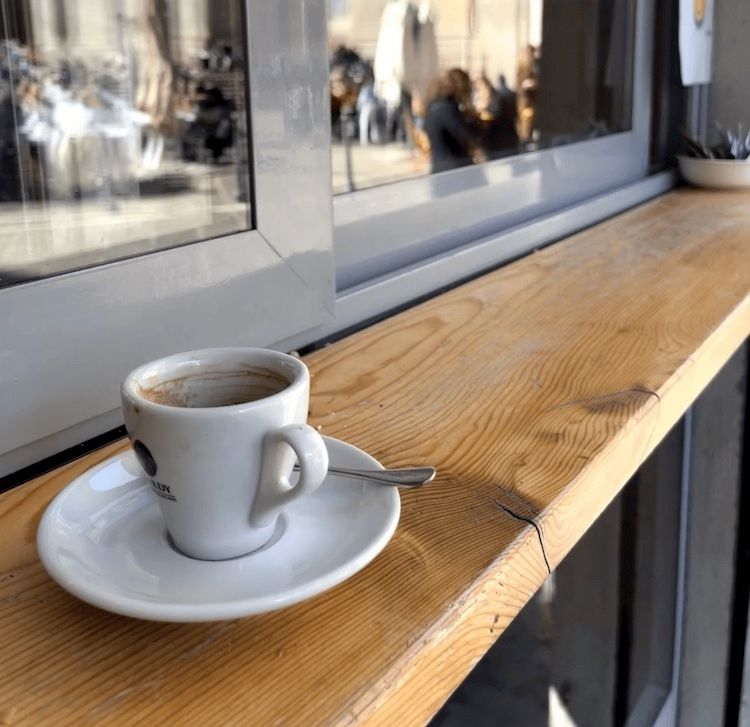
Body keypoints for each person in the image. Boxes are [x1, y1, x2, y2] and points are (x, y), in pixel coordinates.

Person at [423, 68, 480, 174]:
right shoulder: (448, 109)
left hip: (439, 168)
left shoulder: (433, 106)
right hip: (454, 171)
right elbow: (467, 136)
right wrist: (470, 110)